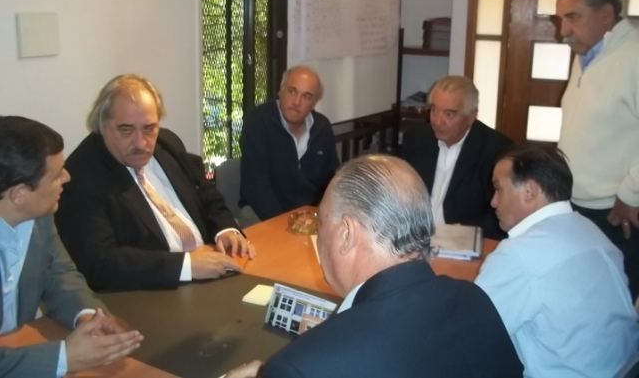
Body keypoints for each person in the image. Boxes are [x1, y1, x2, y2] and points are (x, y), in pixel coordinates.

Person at [225, 154, 523, 378]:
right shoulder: (475, 300)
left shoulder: (300, 366)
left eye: (321, 223)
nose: (319, 235)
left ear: (346, 233)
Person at [55, 74, 254, 292]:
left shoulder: (167, 143)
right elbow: (100, 262)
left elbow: (207, 195)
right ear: (102, 126)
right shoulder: (81, 176)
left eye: (149, 128)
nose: (141, 143)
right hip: (152, 291)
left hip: (213, 267)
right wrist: (187, 266)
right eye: (126, 130)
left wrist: (225, 229)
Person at [475, 144, 639, 378]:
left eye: (499, 189)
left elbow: (472, 330)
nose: (493, 201)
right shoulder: (593, 233)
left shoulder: (518, 255)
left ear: (530, 191)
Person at [0, 116, 144, 378]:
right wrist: (65, 358)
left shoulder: (39, 216)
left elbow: (60, 274)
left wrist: (89, 317)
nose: (67, 177)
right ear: (18, 194)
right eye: (56, 175)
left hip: (17, 345)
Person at [556, 0, 639, 300]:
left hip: (616, 212)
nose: (563, 31)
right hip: (576, 204)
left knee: (612, 306)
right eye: (560, 19)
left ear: (605, 14)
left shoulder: (633, 55)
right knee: (580, 299)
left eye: (573, 17)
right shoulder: (587, 55)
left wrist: (631, 194)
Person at [401, 75, 512, 239]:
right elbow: (398, 190)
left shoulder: (497, 151)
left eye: (449, 114)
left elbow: (502, 214)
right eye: (434, 110)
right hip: (414, 236)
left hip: (463, 239)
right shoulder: (416, 138)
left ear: (471, 117)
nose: (438, 121)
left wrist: (456, 234)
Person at [239, 66, 339, 221]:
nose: (297, 102)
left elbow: (331, 180)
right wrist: (287, 223)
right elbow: (256, 188)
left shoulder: (322, 127)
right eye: (292, 91)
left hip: (308, 216)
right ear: (280, 91)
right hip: (264, 214)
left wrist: (317, 216)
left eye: (306, 96)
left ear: (314, 103)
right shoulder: (257, 122)